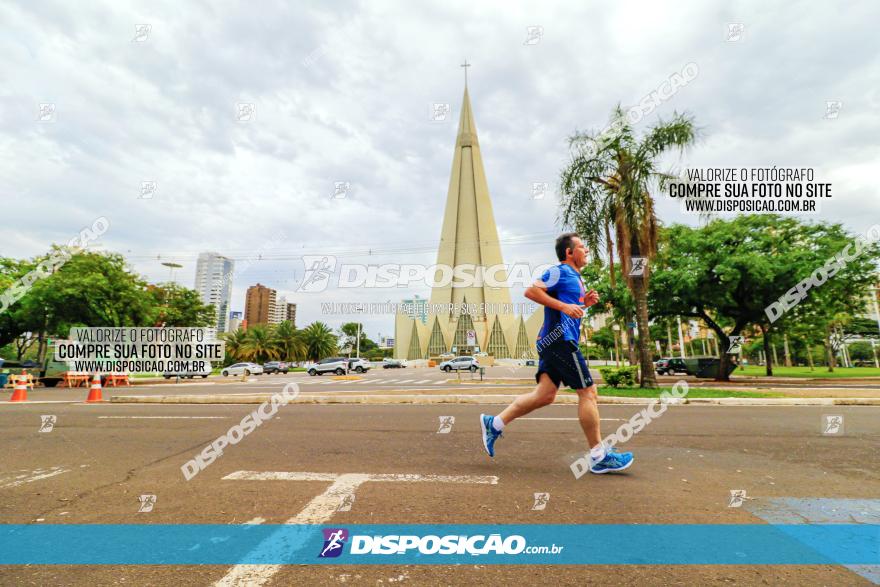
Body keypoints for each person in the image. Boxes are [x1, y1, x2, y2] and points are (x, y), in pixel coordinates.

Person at [479, 233, 633, 474]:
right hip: (560, 340)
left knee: (545, 395)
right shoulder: (559, 271)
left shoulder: (575, 277)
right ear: (569, 253)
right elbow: (531, 292)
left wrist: (585, 304)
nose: (587, 250)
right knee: (588, 392)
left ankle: (494, 423)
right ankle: (598, 455)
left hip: (552, 341)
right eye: (582, 247)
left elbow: (568, 307)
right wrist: (564, 306)